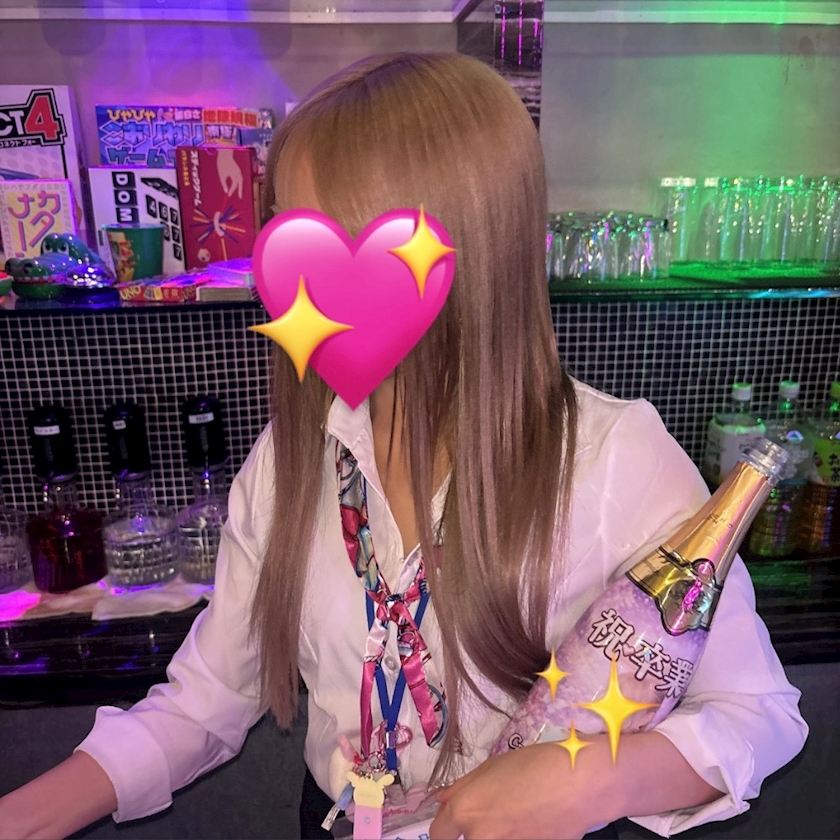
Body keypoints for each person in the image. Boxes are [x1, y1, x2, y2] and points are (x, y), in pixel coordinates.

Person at [0, 52, 806, 840]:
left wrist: (595, 777)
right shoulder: (290, 459)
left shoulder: (611, 457)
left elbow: (758, 714)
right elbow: (204, 702)